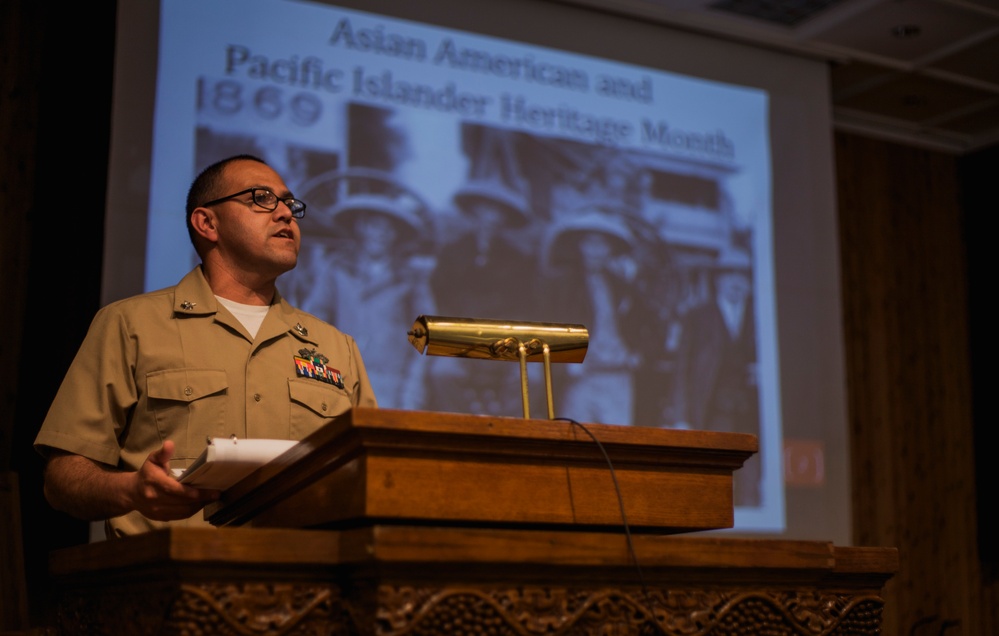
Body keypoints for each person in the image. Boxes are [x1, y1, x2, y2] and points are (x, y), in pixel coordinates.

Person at [33, 154, 378, 537]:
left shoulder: (335, 346)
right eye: (261, 198)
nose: (285, 214)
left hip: (309, 582)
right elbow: (62, 478)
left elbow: (375, 471)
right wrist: (132, 490)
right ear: (207, 223)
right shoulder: (131, 325)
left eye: (289, 203)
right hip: (173, 580)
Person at [671, 246, 760, 506]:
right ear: (718, 280)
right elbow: (681, 369)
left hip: (750, 409)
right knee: (716, 472)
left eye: (742, 277)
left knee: (750, 476)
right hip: (711, 406)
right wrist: (681, 416)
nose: (735, 283)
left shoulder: (761, 317)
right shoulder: (697, 317)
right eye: (728, 276)